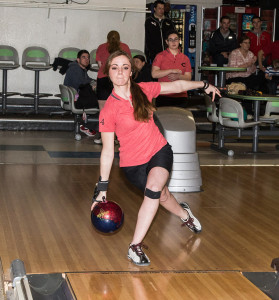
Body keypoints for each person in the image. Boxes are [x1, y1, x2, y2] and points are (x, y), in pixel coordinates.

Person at [91, 50, 221, 267]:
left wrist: (203, 85)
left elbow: (177, 86)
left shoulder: (144, 89)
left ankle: (135, 246)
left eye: (125, 67)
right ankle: (184, 214)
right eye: (115, 67)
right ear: (108, 73)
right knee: (161, 195)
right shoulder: (108, 110)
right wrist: (102, 187)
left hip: (159, 150)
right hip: (132, 165)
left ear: (131, 71)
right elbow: (107, 151)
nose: (120, 72)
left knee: (153, 189)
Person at [95, 30, 131, 144]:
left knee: (103, 110)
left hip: (103, 79)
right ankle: (117, 137)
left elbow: (100, 65)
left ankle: (104, 138)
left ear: (107, 38)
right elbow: (128, 65)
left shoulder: (101, 47)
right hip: (118, 80)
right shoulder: (125, 47)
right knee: (120, 110)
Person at [151, 29, 192, 107]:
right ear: (167, 42)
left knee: (180, 118)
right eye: (171, 40)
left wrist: (179, 76)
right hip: (164, 94)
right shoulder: (160, 56)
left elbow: (188, 77)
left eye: (176, 39)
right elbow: (154, 74)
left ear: (179, 41)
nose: (173, 42)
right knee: (163, 119)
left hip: (181, 95)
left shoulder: (185, 58)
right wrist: (171, 71)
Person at [64, 50, 98, 137]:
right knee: (102, 103)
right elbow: (81, 83)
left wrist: (95, 82)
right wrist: (93, 84)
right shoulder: (75, 69)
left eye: (88, 58)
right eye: (84, 57)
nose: (87, 60)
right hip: (77, 100)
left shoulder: (82, 70)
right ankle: (87, 126)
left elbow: (88, 80)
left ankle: (86, 125)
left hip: (79, 98)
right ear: (78, 60)